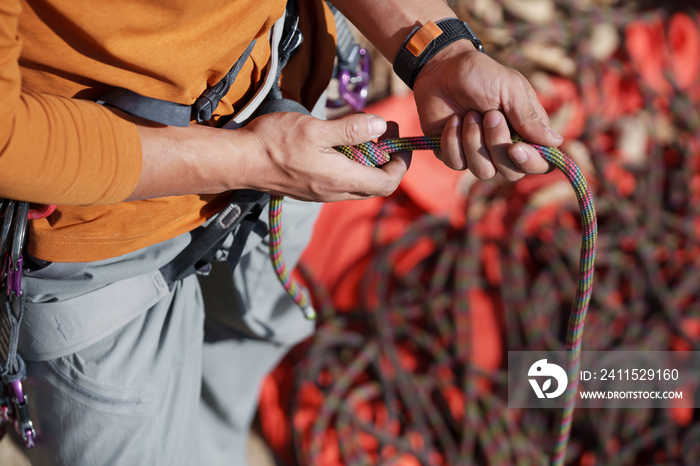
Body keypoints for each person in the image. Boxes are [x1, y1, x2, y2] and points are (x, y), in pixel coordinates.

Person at [0, 0, 563, 464]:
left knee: (253, 335)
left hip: (295, 117)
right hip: (100, 231)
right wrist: (258, 159)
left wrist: (437, 50)